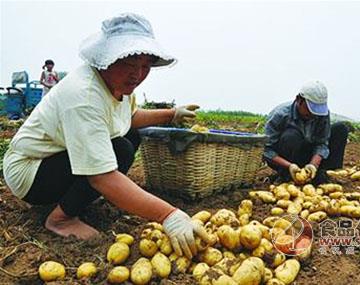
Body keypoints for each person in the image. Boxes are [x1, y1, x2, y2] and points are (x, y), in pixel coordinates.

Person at [3, 13, 209, 259]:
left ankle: (75, 199)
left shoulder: (119, 86)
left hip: (56, 159)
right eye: (130, 64)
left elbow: (128, 118)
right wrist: (169, 215)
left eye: (145, 66)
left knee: (129, 137)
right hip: (30, 172)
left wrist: (172, 114)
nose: (138, 74)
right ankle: (61, 219)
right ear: (107, 58)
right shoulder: (84, 96)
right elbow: (101, 176)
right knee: (119, 150)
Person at [263, 80, 349, 185]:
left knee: (341, 129)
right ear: (299, 100)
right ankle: (286, 175)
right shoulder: (280, 114)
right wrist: (289, 166)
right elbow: (266, 150)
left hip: (309, 155)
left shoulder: (321, 115)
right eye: (310, 109)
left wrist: (313, 164)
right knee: (291, 135)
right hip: (287, 158)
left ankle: (323, 174)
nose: (313, 115)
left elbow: (322, 143)